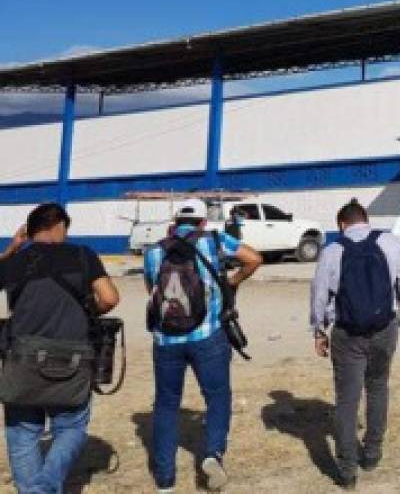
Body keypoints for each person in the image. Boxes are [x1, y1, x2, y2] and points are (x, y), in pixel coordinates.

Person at [144, 198, 264, 492]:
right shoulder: (214, 240)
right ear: (202, 222)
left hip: (167, 340)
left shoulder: (155, 250)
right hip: (207, 337)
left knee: (167, 404)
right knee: (217, 396)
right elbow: (254, 258)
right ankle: (212, 454)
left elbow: (153, 291)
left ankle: (164, 480)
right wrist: (233, 281)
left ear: (175, 223)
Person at [0, 204, 120, 494]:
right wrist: (88, 311)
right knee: (71, 427)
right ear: (56, 226)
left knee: (23, 433)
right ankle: (46, 487)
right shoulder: (83, 255)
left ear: (29, 231)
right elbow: (110, 298)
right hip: (73, 359)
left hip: (22, 360)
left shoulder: (15, 262)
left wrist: (11, 249)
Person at [310, 199, 400, 489]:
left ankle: (347, 470)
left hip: (348, 334)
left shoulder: (333, 250)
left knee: (347, 400)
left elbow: (320, 294)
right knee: (378, 387)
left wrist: (319, 332)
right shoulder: (390, 242)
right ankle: (372, 453)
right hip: (385, 329)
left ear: (342, 224)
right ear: (366, 219)